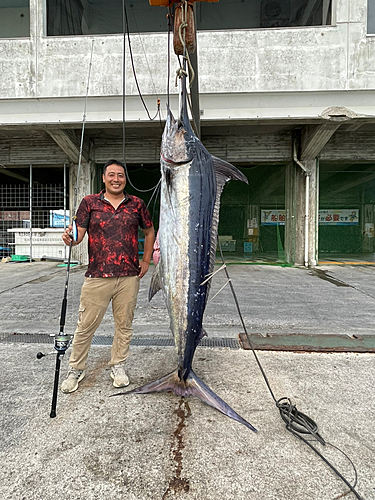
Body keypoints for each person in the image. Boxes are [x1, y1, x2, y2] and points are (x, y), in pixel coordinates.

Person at [60, 159, 154, 393]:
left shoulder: (137, 204)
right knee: (85, 326)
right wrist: (70, 239)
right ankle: (76, 368)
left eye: (120, 175)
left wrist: (146, 260)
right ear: (103, 178)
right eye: (111, 175)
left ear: (125, 178)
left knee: (124, 326)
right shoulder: (89, 203)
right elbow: (78, 237)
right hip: (97, 276)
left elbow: (150, 230)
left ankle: (118, 365)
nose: (116, 179)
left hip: (128, 277)